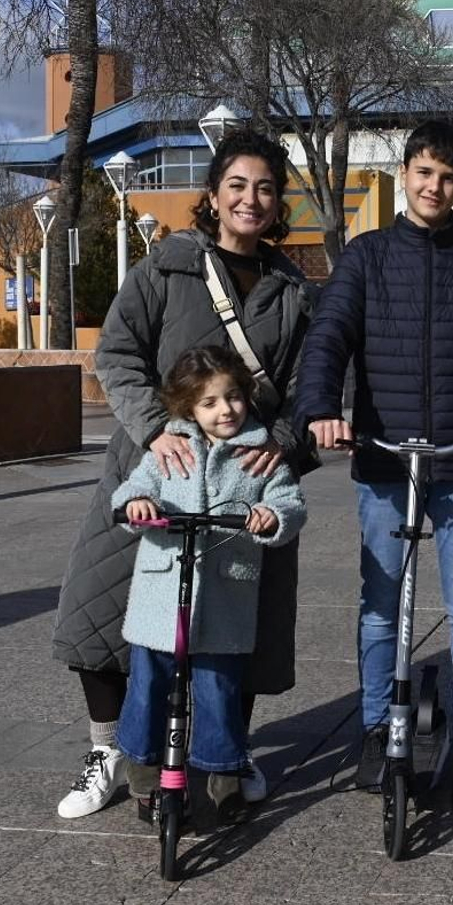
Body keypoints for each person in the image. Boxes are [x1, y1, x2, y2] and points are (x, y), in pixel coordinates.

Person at [51, 130, 317, 820]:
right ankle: (111, 751)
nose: (250, 199)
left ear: (278, 199)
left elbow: (309, 387)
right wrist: (156, 431)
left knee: (241, 622)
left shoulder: (292, 289)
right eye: (237, 185)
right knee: (102, 606)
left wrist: (285, 441)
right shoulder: (165, 268)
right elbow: (116, 354)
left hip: (242, 480)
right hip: (152, 468)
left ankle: (225, 753)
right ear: (213, 194)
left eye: (264, 187)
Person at [295, 121, 453, 806]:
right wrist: (320, 408)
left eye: (449, 177)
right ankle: (374, 724)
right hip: (385, 456)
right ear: (405, 173)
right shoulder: (366, 255)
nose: (435, 187)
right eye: (425, 172)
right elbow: (330, 333)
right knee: (380, 601)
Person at [111, 346, 307, 823]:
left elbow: (290, 503)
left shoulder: (260, 454)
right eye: (210, 402)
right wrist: (138, 506)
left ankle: (224, 775)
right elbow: (132, 490)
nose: (225, 410)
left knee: (219, 688)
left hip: (226, 597)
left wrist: (270, 515)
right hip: (161, 599)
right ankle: (142, 767)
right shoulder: (169, 450)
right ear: (187, 409)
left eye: (234, 397)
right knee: (147, 684)